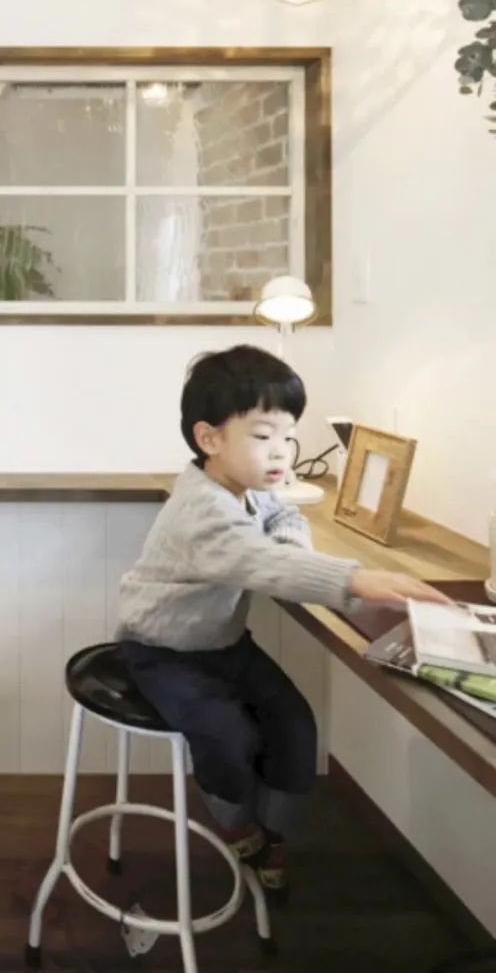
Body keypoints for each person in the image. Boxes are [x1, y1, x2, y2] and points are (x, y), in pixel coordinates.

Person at [117, 345, 449, 899]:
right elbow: (259, 562)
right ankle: (237, 824)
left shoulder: (244, 487)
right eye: (262, 435)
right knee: (226, 735)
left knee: (295, 724)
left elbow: (284, 516)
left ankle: (276, 833)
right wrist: (354, 578)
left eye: (287, 436)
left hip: (223, 644)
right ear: (209, 439)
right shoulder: (202, 510)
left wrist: (296, 552)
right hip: (161, 649)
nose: (280, 451)